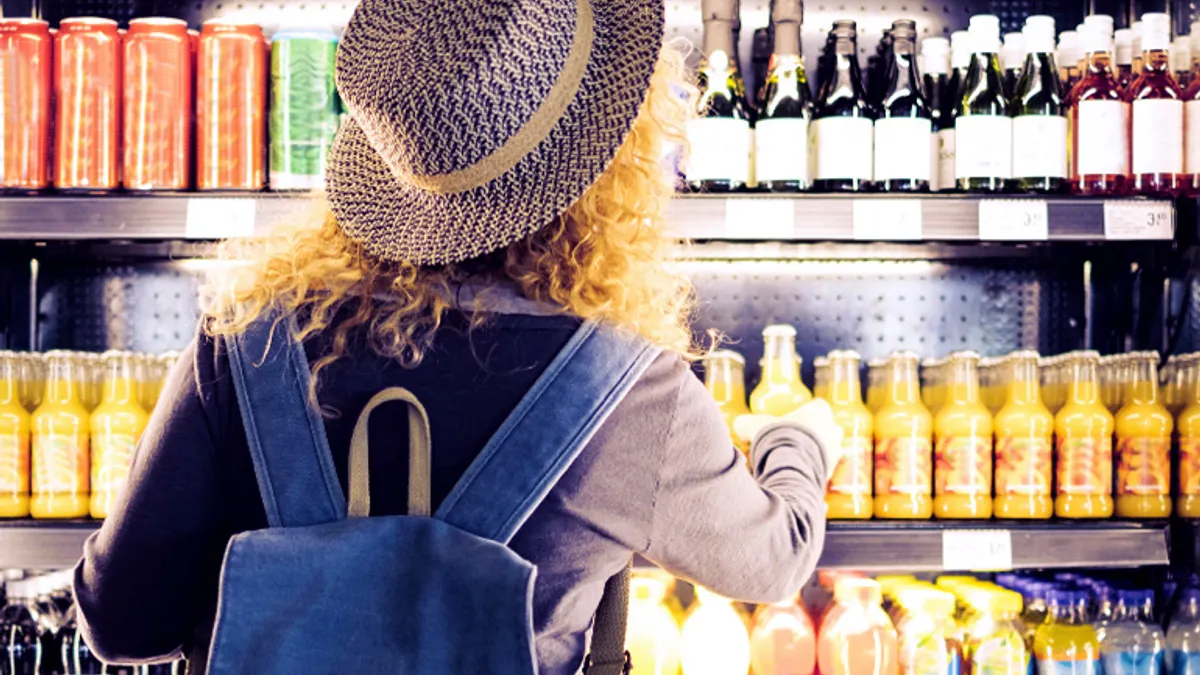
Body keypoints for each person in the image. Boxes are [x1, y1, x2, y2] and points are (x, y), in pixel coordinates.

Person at [73, 1, 841, 673]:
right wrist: (798, 438)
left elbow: (120, 621)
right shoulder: (631, 390)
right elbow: (773, 558)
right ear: (606, 165)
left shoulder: (247, 343)